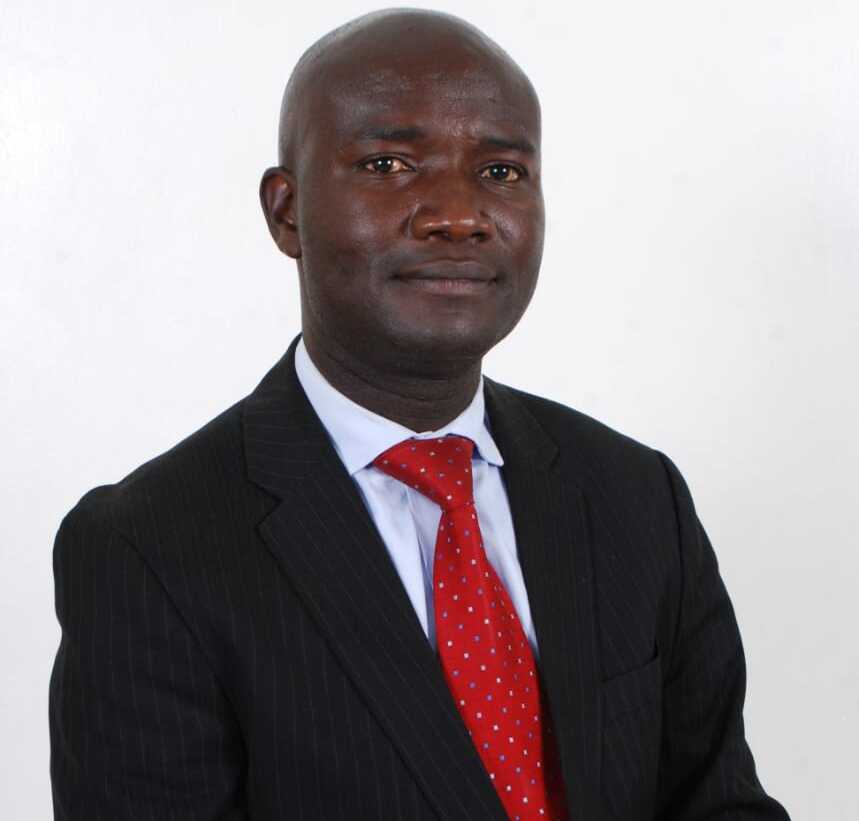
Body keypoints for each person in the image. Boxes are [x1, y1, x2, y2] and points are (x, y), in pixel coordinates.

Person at [49, 8, 790, 820]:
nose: (457, 215)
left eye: (501, 171)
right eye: (388, 164)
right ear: (287, 212)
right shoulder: (150, 548)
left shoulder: (635, 496)